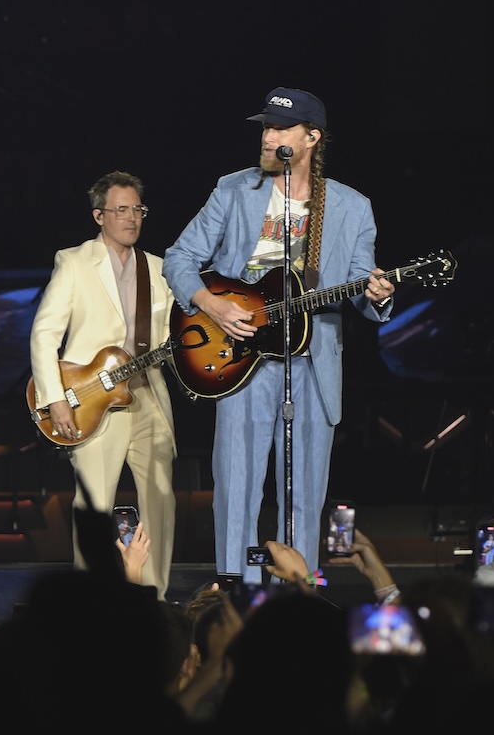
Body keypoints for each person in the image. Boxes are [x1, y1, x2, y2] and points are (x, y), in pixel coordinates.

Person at [162, 87, 395, 585]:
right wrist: (212, 304)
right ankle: (233, 593)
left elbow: (360, 285)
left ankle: (298, 594)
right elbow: (180, 258)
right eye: (265, 128)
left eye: (279, 128)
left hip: (312, 363)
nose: (268, 137)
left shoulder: (352, 208)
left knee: (305, 490)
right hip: (240, 357)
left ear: (311, 138)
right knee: (237, 485)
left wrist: (376, 295)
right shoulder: (233, 190)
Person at [29, 170, 178, 599]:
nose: (131, 218)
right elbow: (44, 334)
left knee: (160, 500)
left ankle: (154, 600)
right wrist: (54, 398)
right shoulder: (75, 261)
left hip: (148, 393)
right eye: (121, 210)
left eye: (137, 209)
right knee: (95, 505)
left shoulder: (159, 269)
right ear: (99, 215)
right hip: (92, 399)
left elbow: (168, 336)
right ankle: (93, 604)